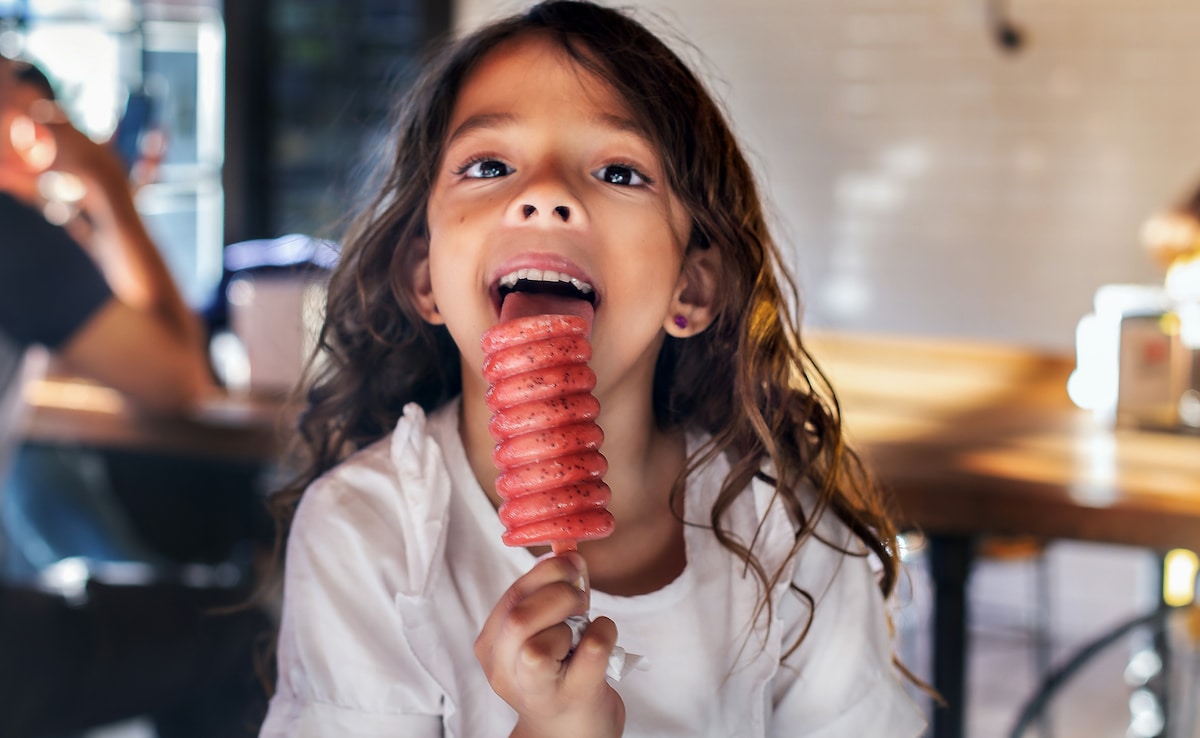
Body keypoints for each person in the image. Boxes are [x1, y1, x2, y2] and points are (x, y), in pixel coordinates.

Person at [261, 2, 925, 736]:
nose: (544, 194)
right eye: (489, 166)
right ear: (424, 274)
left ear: (692, 288)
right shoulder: (369, 535)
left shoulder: (789, 539)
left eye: (618, 170)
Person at [0, 56, 268, 737]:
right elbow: (179, 382)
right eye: (35, 117)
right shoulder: (11, 235)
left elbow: (84, 321)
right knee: (246, 631)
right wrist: (109, 188)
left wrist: (98, 208)